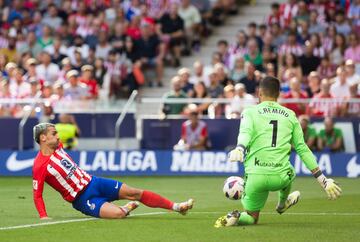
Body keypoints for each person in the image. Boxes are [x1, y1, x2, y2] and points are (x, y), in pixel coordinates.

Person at [214, 76, 341, 227]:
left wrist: (239, 148)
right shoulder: (290, 115)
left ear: (259, 92)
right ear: (278, 94)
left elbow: (245, 133)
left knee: (252, 217)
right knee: (291, 172)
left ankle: (235, 216)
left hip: (256, 178)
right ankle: (282, 205)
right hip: (280, 177)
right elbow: (302, 149)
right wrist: (323, 181)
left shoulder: (250, 112)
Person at [32, 123, 194, 219]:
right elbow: (37, 194)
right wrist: (43, 216)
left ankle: (177, 207)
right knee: (118, 215)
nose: (58, 137)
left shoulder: (59, 147)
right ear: (43, 138)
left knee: (135, 192)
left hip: (95, 182)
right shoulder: (40, 166)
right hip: (82, 199)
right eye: (54, 134)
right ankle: (125, 208)